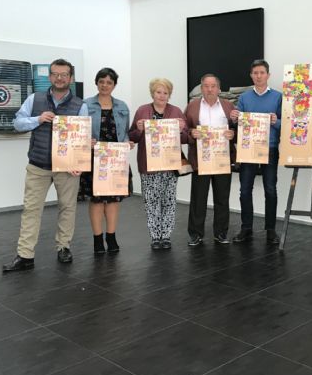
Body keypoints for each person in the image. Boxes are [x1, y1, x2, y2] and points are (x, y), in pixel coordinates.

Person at [3, 58, 88, 272]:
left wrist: (79, 160)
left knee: (67, 208)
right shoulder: (35, 99)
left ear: (71, 78)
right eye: (55, 74)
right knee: (31, 209)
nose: (59, 78)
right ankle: (25, 255)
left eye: (64, 74)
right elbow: (17, 123)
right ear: (49, 76)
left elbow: (83, 139)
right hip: (38, 166)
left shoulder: (81, 105)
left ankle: (63, 247)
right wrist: (37, 119)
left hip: (67, 169)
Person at [129, 78, 187, 250]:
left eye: (165, 92)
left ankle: (166, 235)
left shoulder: (176, 111)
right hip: (149, 164)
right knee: (151, 201)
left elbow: (186, 138)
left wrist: (182, 129)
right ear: (152, 93)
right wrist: (139, 129)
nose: (162, 96)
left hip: (170, 163)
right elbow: (132, 137)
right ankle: (155, 236)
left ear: (169, 95)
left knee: (169, 200)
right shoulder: (142, 110)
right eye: (158, 92)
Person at [80, 68, 132, 254]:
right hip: (94, 159)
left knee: (113, 200)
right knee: (96, 201)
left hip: (116, 158)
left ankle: (111, 236)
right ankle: (97, 239)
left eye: (109, 82)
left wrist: (127, 142)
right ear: (96, 83)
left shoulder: (122, 106)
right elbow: (79, 131)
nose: (105, 85)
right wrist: (86, 141)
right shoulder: (85, 104)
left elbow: (125, 132)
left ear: (114, 85)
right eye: (101, 81)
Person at [229, 59, 282, 244]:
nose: (258, 76)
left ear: (268, 75)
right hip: (248, 148)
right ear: (251, 75)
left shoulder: (278, 97)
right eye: (255, 73)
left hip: (271, 148)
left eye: (262, 72)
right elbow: (238, 123)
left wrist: (277, 122)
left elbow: (288, 126)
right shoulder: (244, 98)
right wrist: (234, 118)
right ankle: (246, 228)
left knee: (270, 190)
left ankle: (271, 230)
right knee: (244, 190)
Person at [184, 73, 236, 246]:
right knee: (198, 198)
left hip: (222, 159)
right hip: (201, 159)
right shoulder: (192, 106)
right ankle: (195, 233)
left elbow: (238, 130)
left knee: (222, 198)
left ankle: (221, 233)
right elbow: (183, 132)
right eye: (206, 86)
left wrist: (233, 134)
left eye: (213, 86)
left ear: (219, 88)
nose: (209, 89)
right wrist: (192, 133)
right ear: (201, 87)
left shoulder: (229, 106)